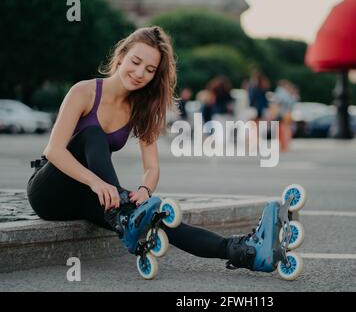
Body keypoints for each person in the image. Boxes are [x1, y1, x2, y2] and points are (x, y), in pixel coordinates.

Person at [26, 26, 263, 273]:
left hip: (90, 196)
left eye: (149, 70)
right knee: (92, 135)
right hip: (49, 191)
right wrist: (96, 183)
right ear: (120, 57)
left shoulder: (141, 107)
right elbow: (54, 150)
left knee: (155, 217)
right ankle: (123, 215)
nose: (140, 73)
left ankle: (242, 251)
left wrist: (144, 189)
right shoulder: (84, 92)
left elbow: (152, 167)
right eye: (136, 62)